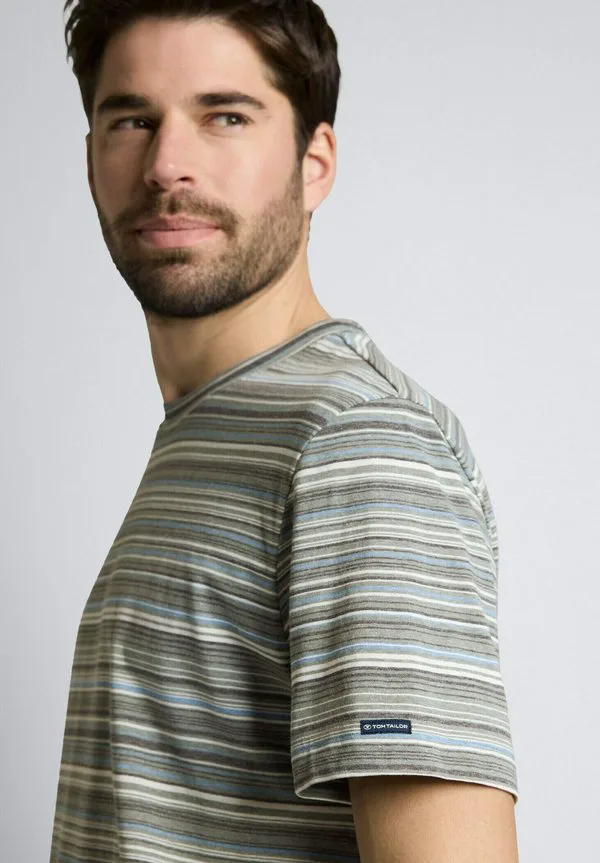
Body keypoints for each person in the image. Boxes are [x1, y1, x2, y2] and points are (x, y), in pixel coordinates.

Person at [51, 2, 519, 861]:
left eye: (225, 116)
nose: (167, 163)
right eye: (132, 120)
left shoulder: (358, 444)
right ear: (90, 158)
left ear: (315, 164)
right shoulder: (217, 424)